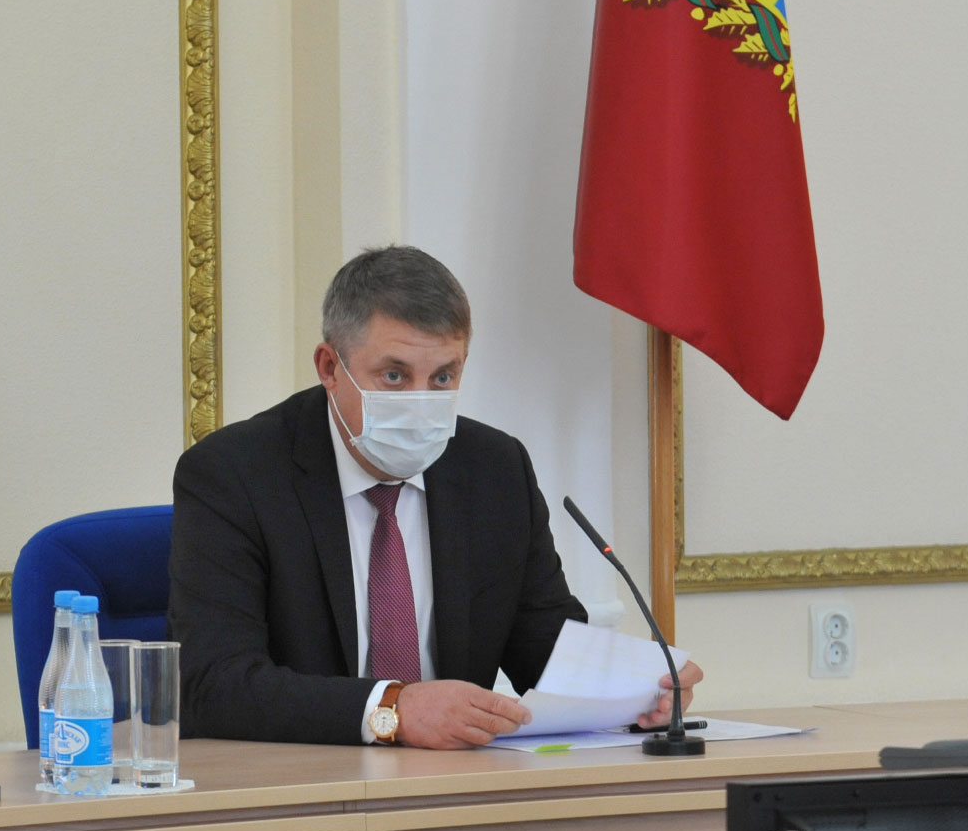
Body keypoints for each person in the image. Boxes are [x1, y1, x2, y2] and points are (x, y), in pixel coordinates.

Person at [168, 245, 703, 748]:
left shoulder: (494, 470)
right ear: (330, 367)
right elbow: (211, 684)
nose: (420, 402)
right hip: (301, 782)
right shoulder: (234, 474)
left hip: (456, 780)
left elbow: (540, 644)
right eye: (394, 376)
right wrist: (393, 709)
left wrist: (634, 686)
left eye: (443, 377)